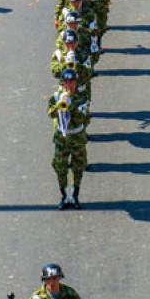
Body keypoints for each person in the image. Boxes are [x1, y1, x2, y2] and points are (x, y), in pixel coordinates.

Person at [47, 70, 89, 209]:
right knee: (60, 166)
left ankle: (75, 195)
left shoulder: (82, 97)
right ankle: (65, 196)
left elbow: (81, 119)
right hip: (62, 138)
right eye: (67, 82)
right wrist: (60, 105)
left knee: (78, 166)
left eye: (72, 82)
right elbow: (50, 114)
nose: (69, 85)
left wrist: (70, 105)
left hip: (77, 136)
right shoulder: (57, 96)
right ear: (63, 82)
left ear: (76, 82)